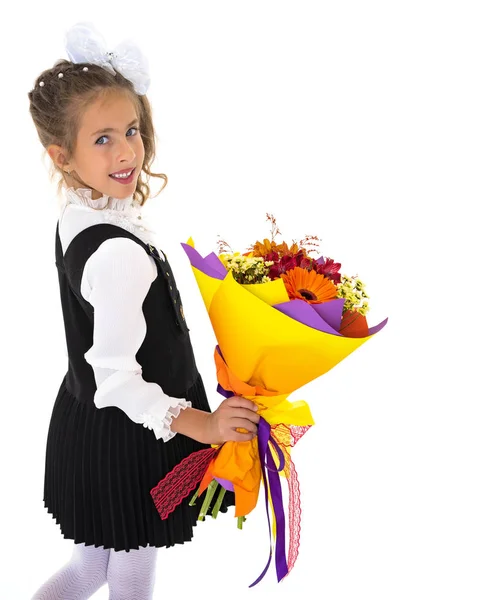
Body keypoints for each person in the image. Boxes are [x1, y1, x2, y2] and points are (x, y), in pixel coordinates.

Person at [27, 21, 260, 600]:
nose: (128, 150)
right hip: (129, 434)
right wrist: (203, 426)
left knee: (92, 568)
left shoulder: (83, 212)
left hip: (89, 424)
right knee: (125, 569)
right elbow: (117, 375)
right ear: (63, 155)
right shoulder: (117, 254)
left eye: (130, 130)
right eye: (102, 138)